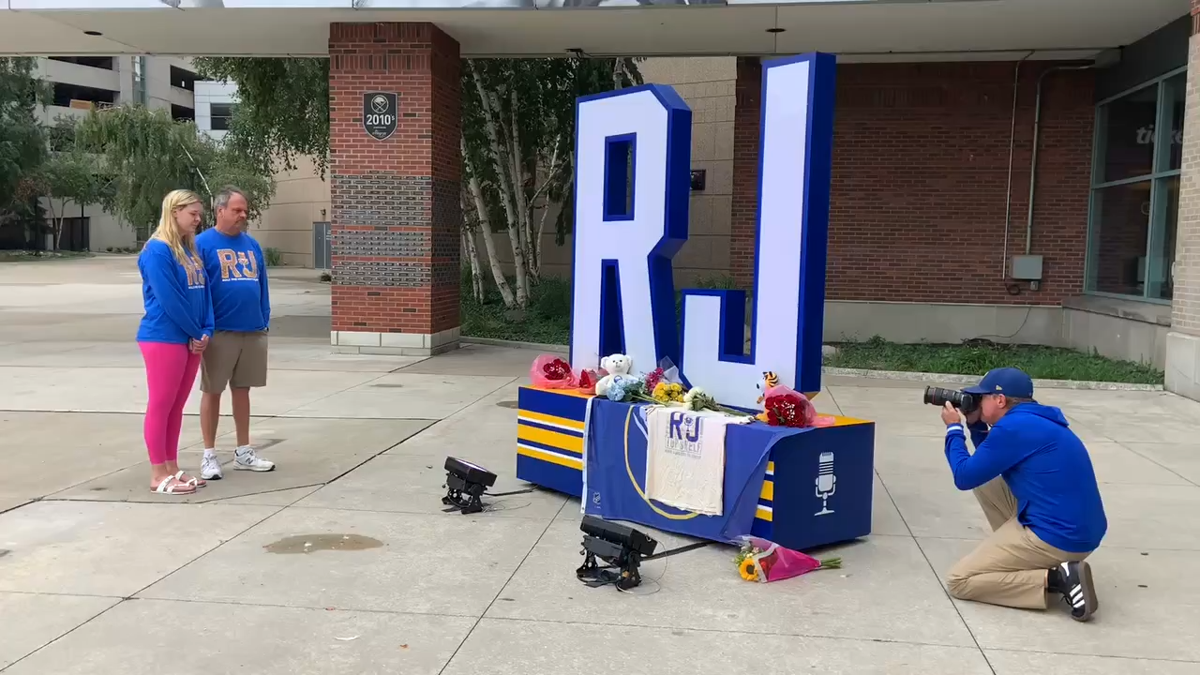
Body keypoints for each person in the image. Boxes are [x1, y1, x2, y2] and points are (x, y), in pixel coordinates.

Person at [939, 367, 1107, 622]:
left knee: (960, 580)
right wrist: (975, 426)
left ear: (1000, 400)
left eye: (981, 397)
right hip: (1079, 530)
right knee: (985, 483)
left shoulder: (1013, 428)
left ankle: (1057, 579)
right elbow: (989, 461)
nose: (976, 402)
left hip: (1058, 538)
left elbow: (963, 476)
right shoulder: (1033, 421)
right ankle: (1023, 557)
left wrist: (954, 429)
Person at [195, 186, 276, 480]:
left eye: (245, 210)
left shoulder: (252, 245)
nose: (243, 215)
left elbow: (262, 283)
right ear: (220, 210)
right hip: (219, 332)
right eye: (237, 210)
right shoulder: (202, 244)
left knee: (243, 391)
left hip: (252, 330)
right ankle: (209, 455)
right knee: (212, 391)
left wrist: (263, 318)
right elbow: (197, 289)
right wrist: (202, 326)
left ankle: (244, 451)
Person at [137, 189, 212, 495]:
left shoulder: (190, 251)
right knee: (161, 404)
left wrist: (206, 329)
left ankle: (171, 465)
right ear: (174, 212)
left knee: (177, 406)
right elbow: (171, 300)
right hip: (164, 337)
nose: (198, 219)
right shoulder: (157, 251)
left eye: (199, 213)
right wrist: (195, 331)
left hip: (191, 338)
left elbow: (204, 294)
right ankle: (158, 473)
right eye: (192, 213)